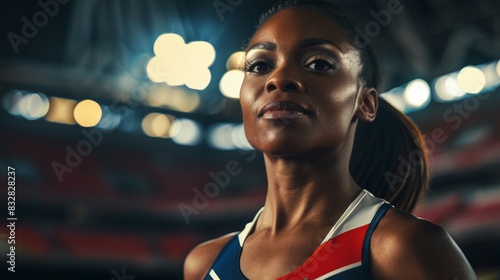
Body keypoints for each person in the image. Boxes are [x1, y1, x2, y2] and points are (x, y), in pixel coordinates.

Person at [184, 0, 476, 279]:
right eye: (260, 65)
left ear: (366, 103)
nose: (279, 78)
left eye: (319, 63)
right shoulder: (204, 264)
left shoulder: (404, 248)